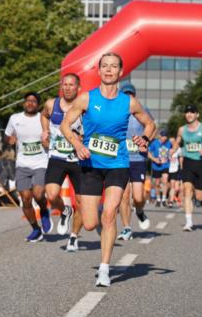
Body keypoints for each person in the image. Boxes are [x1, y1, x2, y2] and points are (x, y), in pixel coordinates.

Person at [60, 52, 155, 288]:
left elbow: (150, 124)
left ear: (120, 72)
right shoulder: (86, 99)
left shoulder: (128, 102)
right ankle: (88, 218)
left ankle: (104, 268)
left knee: (110, 213)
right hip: (91, 165)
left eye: (114, 66)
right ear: (99, 71)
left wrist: (145, 138)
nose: (109, 70)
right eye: (105, 66)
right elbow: (64, 124)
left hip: (118, 165)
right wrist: (78, 144)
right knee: (91, 223)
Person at [40, 73, 85, 251]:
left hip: (78, 160)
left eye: (71, 85)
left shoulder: (85, 107)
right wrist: (45, 131)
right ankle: (65, 210)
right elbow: (43, 115)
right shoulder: (52, 104)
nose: (67, 88)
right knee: (51, 195)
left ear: (78, 88)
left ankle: (73, 236)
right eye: (64, 84)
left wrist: (83, 137)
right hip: (57, 156)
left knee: (81, 201)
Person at [6, 92, 52, 242]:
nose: (30, 103)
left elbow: (53, 135)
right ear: (24, 103)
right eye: (27, 101)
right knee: (26, 199)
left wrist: (48, 141)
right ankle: (35, 229)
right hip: (22, 164)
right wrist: (10, 140)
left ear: (38, 105)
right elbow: (8, 135)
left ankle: (44, 211)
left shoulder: (43, 119)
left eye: (33, 101)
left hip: (41, 163)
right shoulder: (15, 119)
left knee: (38, 194)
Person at [170, 104, 202, 231]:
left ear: (197, 114)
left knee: (199, 196)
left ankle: (194, 197)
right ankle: (189, 222)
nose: (189, 114)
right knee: (187, 190)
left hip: (201, 164)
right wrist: (173, 150)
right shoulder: (181, 129)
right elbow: (177, 141)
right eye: (187, 112)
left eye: (192, 112)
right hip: (187, 162)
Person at [116, 82, 153, 240]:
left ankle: (139, 211)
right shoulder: (116, 111)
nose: (128, 97)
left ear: (134, 96)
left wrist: (146, 141)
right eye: (125, 94)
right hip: (121, 159)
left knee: (138, 197)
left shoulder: (142, 111)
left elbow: (152, 127)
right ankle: (126, 228)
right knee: (124, 195)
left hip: (137, 159)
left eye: (131, 94)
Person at [147, 130, 172, 207]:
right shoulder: (155, 143)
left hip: (165, 165)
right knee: (157, 183)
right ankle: (158, 199)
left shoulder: (168, 143)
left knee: (165, 181)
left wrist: (171, 156)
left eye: (166, 136)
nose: (164, 138)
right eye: (163, 136)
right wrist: (155, 159)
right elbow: (148, 153)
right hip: (156, 166)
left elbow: (172, 150)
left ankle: (164, 199)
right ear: (160, 136)